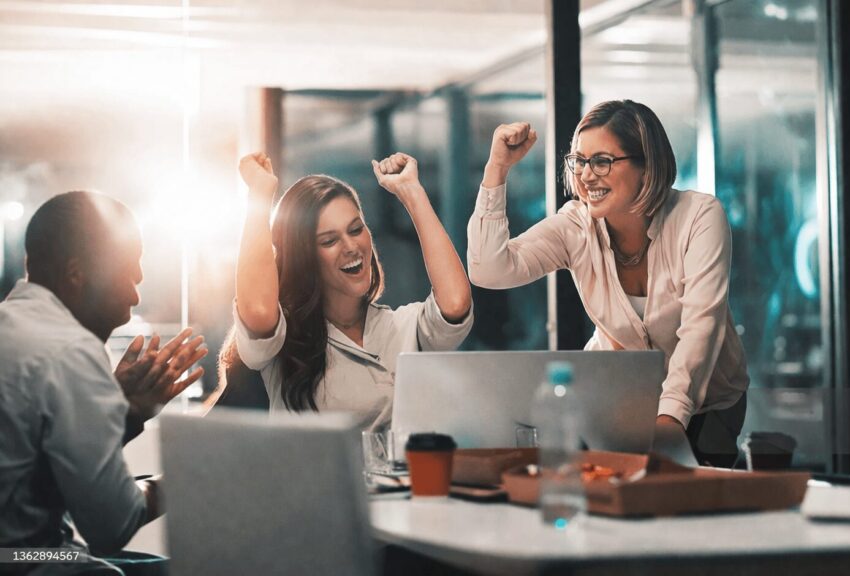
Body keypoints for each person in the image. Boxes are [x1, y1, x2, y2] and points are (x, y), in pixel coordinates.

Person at [468, 100, 750, 466]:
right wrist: (497, 170)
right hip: (625, 404)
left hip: (711, 402)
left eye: (602, 161)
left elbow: (701, 327)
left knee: (696, 507)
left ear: (646, 167)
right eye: (579, 161)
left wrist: (669, 419)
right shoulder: (575, 227)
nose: (586, 175)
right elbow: (488, 269)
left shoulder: (699, 217)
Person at [0, 191, 207, 575]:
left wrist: (120, 418)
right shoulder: (69, 349)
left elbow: (38, 479)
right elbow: (111, 525)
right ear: (77, 274)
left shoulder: (14, 325)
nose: (135, 293)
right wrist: (187, 476)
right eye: (129, 270)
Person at [229, 152, 472, 427]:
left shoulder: (401, 326)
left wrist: (411, 192)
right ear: (304, 256)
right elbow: (259, 310)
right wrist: (260, 196)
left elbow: (455, 302)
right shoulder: (284, 339)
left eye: (356, 229)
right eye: (329, 240)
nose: (351, 247)